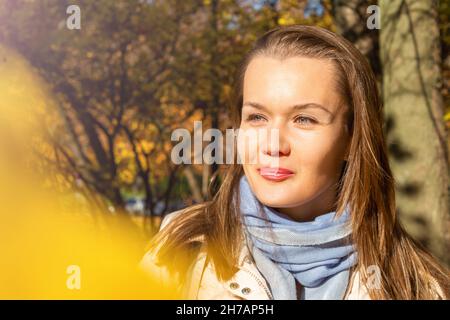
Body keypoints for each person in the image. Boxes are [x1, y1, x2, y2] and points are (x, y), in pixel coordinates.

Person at [140, 25, 449, 300]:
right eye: (257, 117)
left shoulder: (414, 286)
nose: (273, 145)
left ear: (352, 139)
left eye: (304, 119)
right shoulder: (179, 251)